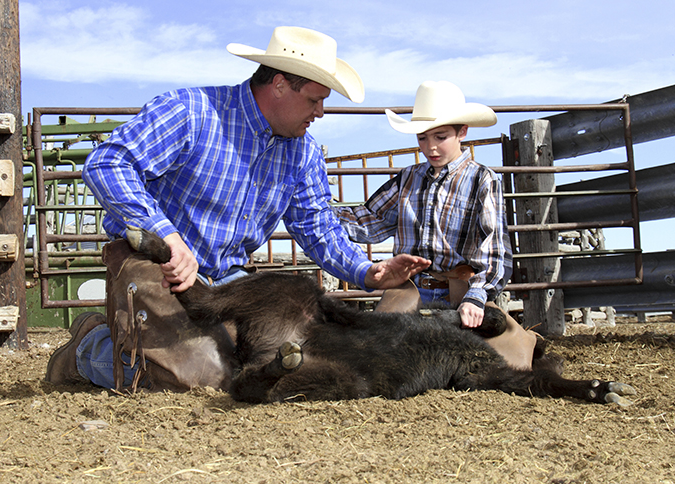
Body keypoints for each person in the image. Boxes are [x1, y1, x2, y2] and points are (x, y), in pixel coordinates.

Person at [45, 26, 430, 390]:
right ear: (280, 85)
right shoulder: (191, 112)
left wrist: (367, 272)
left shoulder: (304, 153)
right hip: (156, 263)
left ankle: (168, 344)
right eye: (315, 100)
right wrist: (167, 235)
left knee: (282, 361)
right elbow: (107, 163)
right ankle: (86, 350)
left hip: (229, 280)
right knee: (202, 376)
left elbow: (316, 225)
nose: (320, 113)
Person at [334, 80, 513, 329]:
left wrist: (477, 295)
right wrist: (317, 213)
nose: (431, 147)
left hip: (461, 288)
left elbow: (493, 249)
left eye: (441, 137)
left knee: (497, 353)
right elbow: (368, 221)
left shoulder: (482, 180)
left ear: (462, 132)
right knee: (376, 342)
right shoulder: (408, 177)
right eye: (422, 138)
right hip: (408, 287)